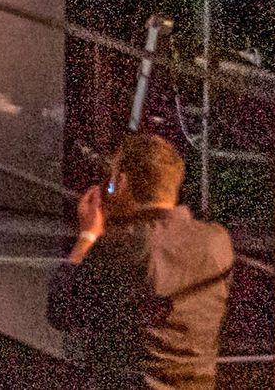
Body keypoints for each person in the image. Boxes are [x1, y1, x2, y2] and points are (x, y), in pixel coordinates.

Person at [50, 130, 235, 389]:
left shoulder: (124, 244)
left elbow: (61, 309)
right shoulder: (218, 241)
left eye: (112, 184)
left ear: (122, 183)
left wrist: (87, 236)